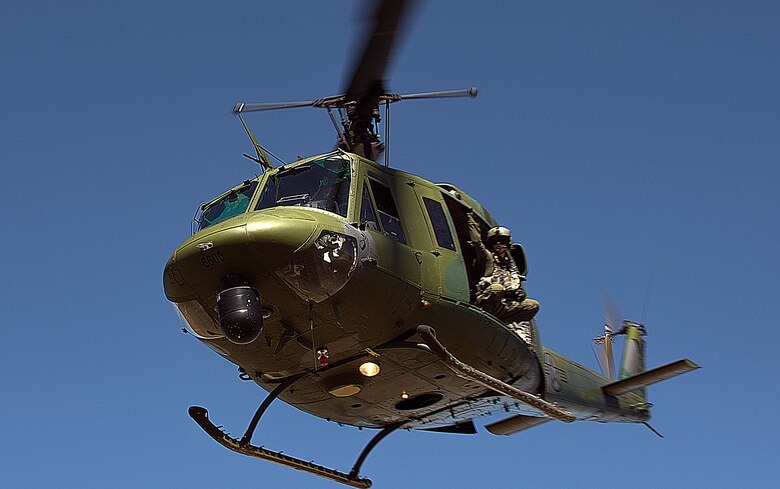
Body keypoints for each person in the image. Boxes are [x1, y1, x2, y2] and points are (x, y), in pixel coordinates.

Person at [468, 212, 540, 346]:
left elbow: (515, 286)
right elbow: (477, 242)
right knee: (497, 288)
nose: (499, 244)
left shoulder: (511, 267)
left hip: (503, 307)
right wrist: (471, 220)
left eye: (503, 241)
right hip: (488, 303)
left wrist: (518, 294)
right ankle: (481, 314)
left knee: (532, 305)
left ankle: (507, 324)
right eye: (495, 242)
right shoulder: (488, 258)